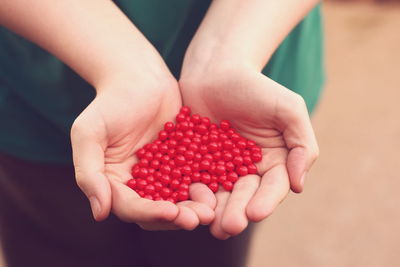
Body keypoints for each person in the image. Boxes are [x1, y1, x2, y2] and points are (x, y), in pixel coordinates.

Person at [0, 0, 323, 266]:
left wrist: (226, 53)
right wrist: (122, 65)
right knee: (57, 246)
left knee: (203, 251)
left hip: (254, 43)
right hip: (36, 85)